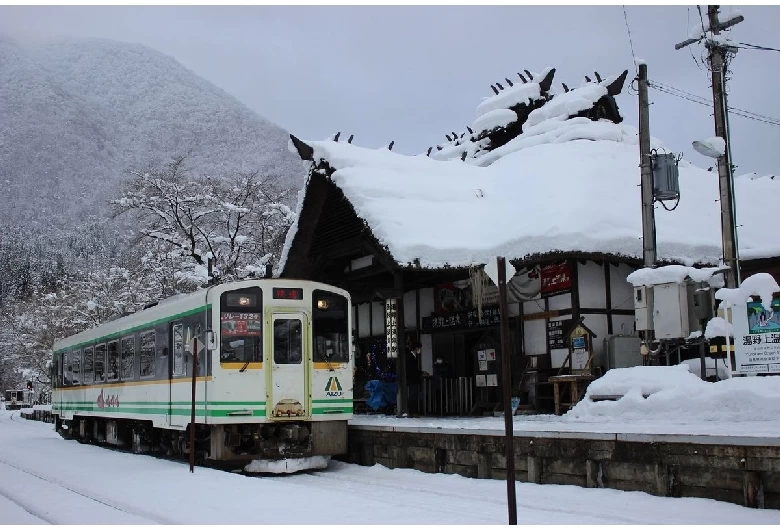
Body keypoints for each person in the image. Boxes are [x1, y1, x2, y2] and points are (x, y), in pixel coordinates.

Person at [405, 341, 422, 415]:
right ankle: (411, 411)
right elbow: (412, 369)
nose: (420, 350)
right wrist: (421, 373)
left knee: (414, 395)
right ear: (416, 348)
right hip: (412, 380)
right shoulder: (410, 357)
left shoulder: (413, 356)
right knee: (412, 395)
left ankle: (412, 411)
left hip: (413, 379)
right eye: (419, 348)